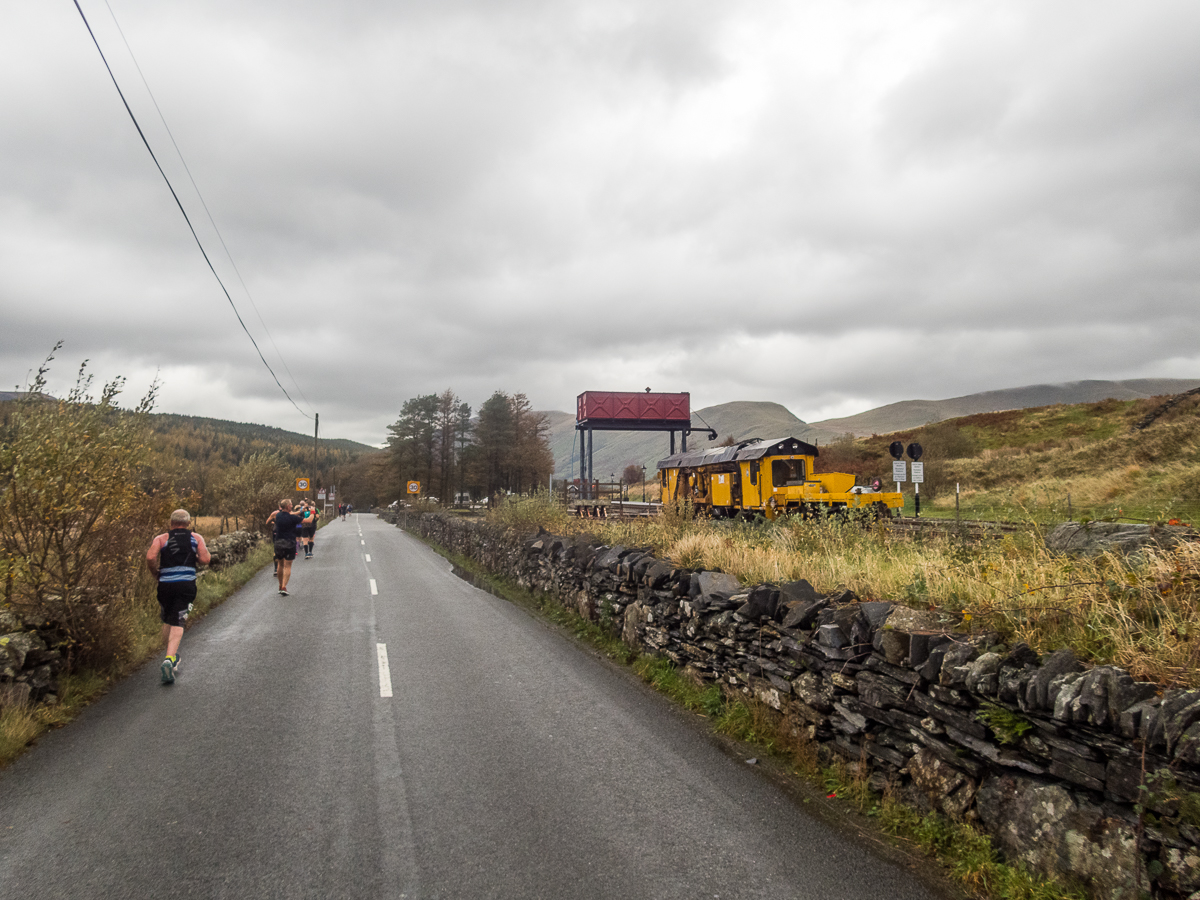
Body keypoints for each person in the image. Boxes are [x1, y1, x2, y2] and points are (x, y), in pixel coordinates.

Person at [145, 509, 211, 684]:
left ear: (171, 523)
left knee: (168, 618)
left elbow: (150, 556)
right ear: (188, 523)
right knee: (179, 619)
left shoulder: (161, 539)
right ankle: (169, 659)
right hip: (186, 585)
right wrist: (195, 557)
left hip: (165, 585)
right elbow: (205, 559)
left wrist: (155, 573)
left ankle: (170, 654)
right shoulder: (195, 538)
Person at [265, 499, 303, 596]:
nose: (292, 505)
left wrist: (274, 523)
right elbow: (308, 520)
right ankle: (283, 587)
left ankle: (280, 585)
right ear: (287, 506)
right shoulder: (292, 518)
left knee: (280, 564)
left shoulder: (277, 514)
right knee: (287, 565)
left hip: (278, 540)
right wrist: (312, 511)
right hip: (289, 541)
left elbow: (267, 522)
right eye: (291, 504)